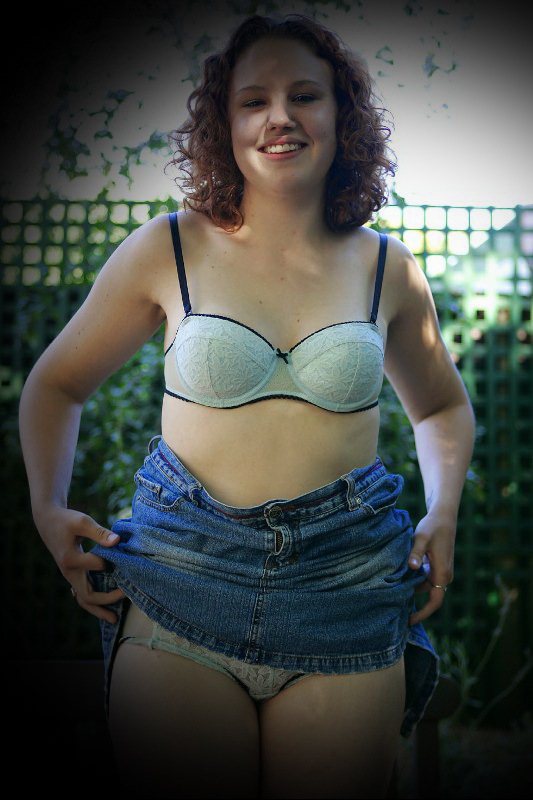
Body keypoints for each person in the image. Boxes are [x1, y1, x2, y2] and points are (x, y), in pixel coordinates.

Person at [19, 13, 475, 800]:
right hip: (181, 579)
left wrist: (443, 513)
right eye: (253, 100)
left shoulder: (387, 268)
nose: (279, 117)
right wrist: (46, 509)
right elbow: (56, 385)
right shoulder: (168, 247)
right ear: (222, 124)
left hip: (343, 587)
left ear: (342, 116)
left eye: (305, 95)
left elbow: (440, 409)